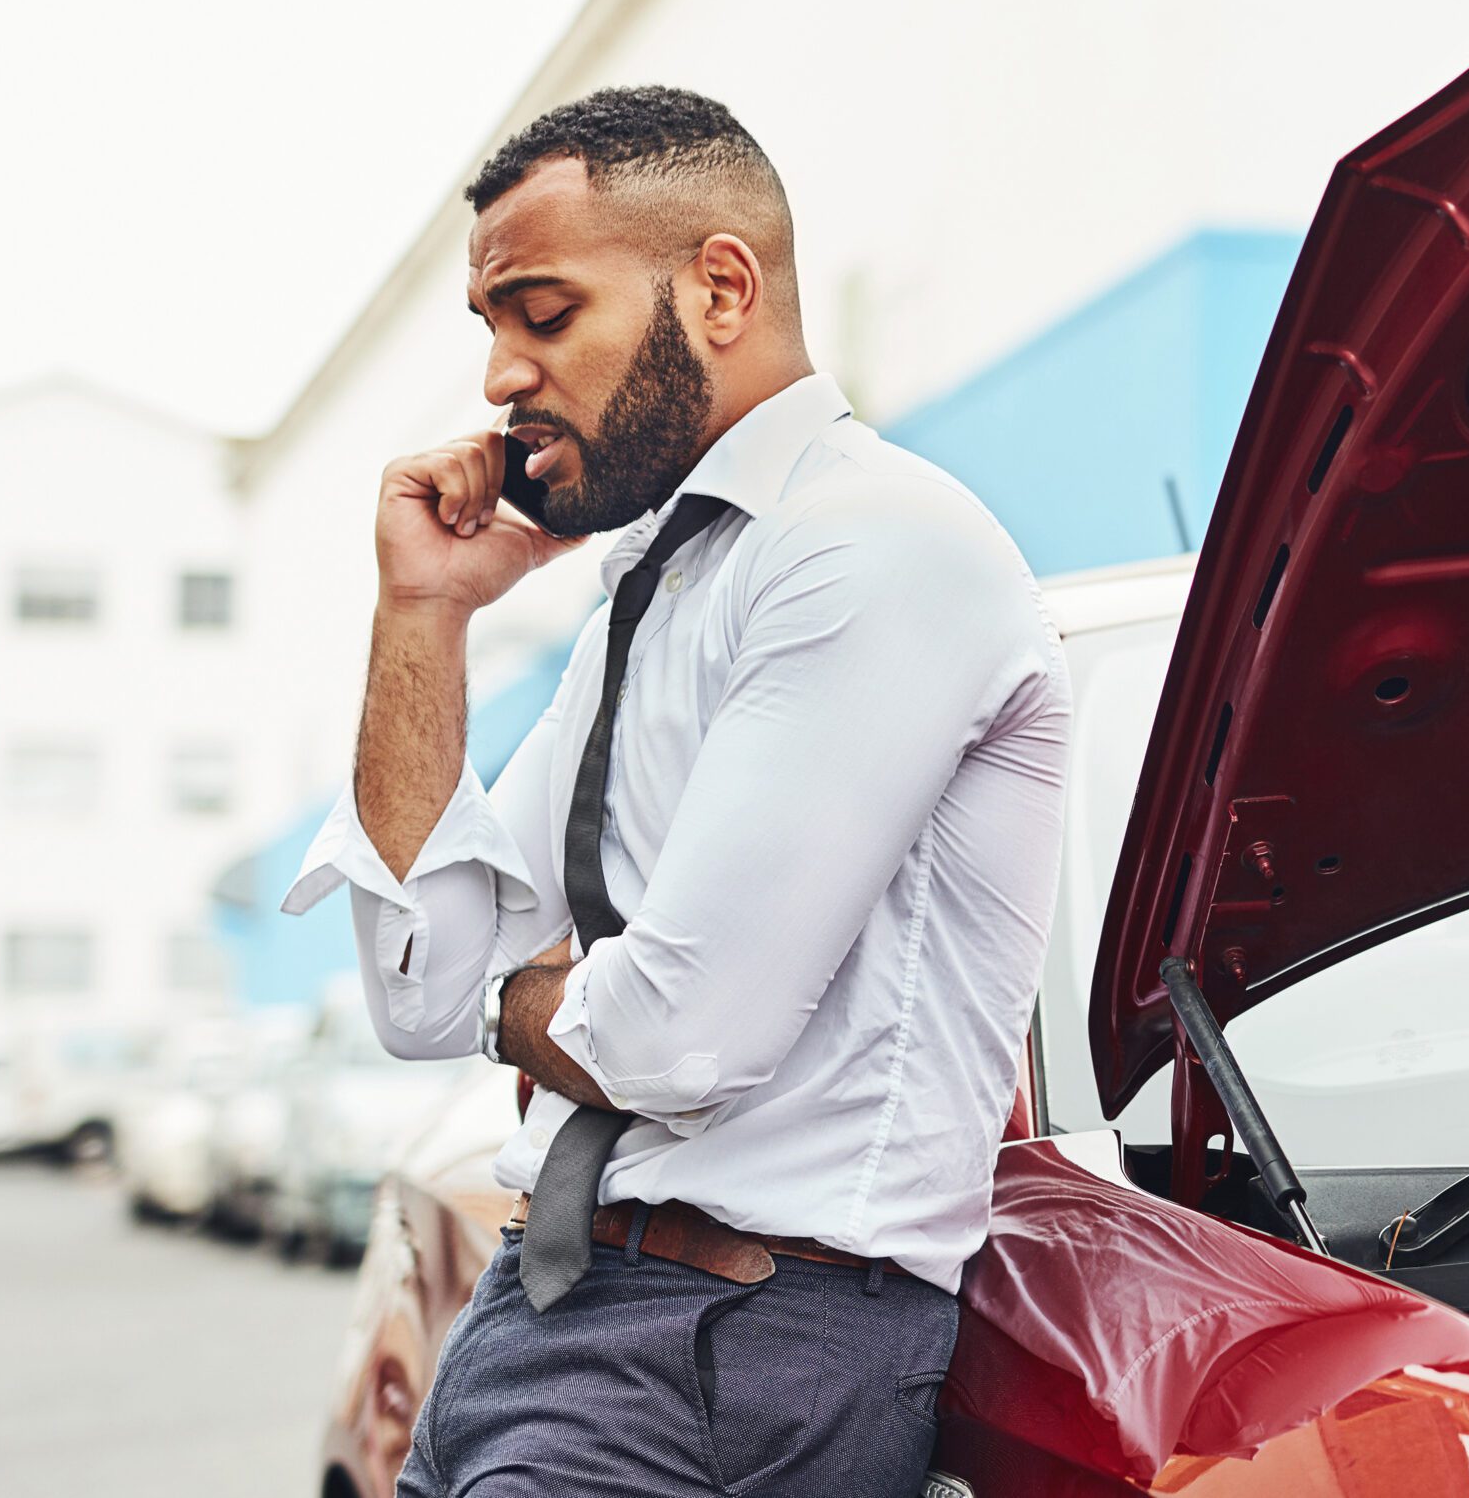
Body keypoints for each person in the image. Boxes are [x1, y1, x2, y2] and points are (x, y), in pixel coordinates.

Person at [282, 85, 1070, 1497]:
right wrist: (423, 615)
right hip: (547, 1312)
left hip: (726, 1350)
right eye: (491, 329)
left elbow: (670, 1035)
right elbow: (414, 986)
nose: (500, 380)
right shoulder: (661, 584)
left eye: (543, 313)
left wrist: (511, 997)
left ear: (720, 287)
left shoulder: (873, 548)